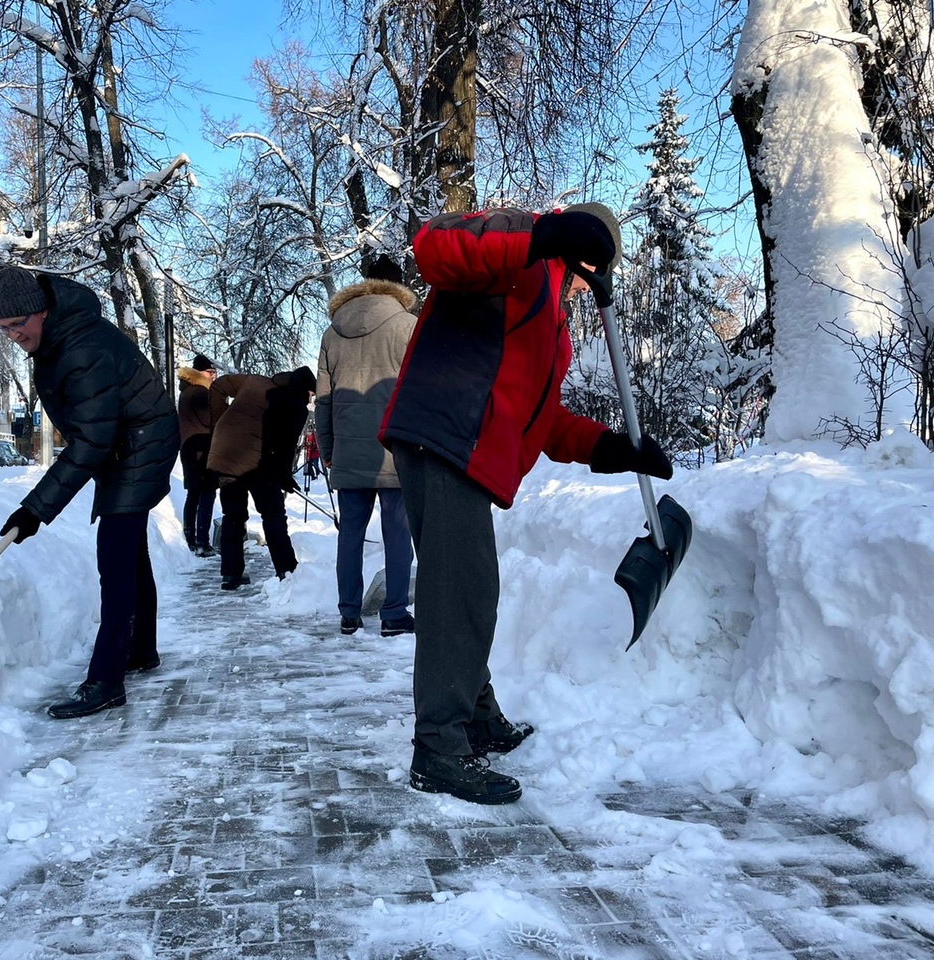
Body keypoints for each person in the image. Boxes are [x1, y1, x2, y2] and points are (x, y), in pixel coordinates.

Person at [379, 204, 674, 804]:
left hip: (464, 444)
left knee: (465, 587)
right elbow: (434, 247)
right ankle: (438, 744)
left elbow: (540, 421)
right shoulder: (520, 243)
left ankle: (477, 713)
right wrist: (541, 235)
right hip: (443, 430)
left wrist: (610, 448)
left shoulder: (552, 322)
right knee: (461, 590)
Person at [0, 264, 180, 720]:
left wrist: (35, 509)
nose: (14, 335)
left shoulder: (80, 347)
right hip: (125, 442)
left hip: (138, 444)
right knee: (129, 555)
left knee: (114, 560)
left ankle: (106, 682)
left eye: (19, 323)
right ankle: (140, 650)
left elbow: (91, 439)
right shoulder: (61, 337)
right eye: (4, 328)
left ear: (43, 311)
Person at [315, 254, 417, 637]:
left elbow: (323, 399)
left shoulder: (331, 332)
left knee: (351, 534)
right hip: (394, 448)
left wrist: (328, 449)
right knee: (397, 533)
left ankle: (348, 612)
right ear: (398, 286)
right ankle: (393, 613)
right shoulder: (408, 327)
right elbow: (419, 391)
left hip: (348, 447)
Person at [207, 366, 317, 589]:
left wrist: (219, 423)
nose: (310, 400)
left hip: (227, 454)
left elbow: (219, 386)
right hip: (259, 463)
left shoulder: (253, 381)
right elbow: (287, 447)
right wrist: (284, 477)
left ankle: (231, 574)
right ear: (305, 389)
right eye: (311, 394)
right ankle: (287, 571)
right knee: (273, 514)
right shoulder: (296, 406)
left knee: (233, 515)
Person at [177, 353, 219, 557]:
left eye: (214, 372)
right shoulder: (200, 393)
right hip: (202, 449)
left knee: (193, 494)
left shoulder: (186, 392)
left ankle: (190, 538)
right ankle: (202, 542)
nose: (213, 375)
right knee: (207, 494)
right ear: (198, 373)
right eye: (210, 372)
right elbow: (211, 420)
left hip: (188, 449)